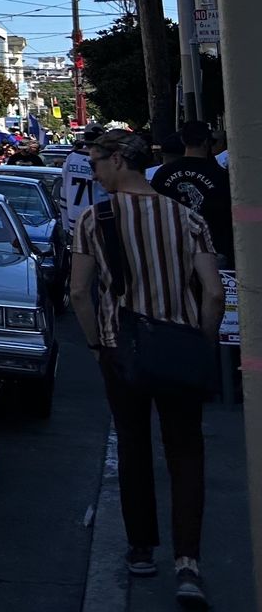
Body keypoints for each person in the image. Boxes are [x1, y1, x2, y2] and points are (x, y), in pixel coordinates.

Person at [70, 130, 221, 606]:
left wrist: (96, 345)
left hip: (122, 348)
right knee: (185, 451)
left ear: (119, 160)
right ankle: (188, 563)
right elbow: (214, 293)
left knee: (133, 447)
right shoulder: (187, 217)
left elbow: (78, 293)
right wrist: (204, 342)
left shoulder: (96, 219)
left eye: (96, 161)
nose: (93, 172)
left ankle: (141, 549)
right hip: (179, 344)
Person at [152, 120, 234, 268]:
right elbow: (233, 212)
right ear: (206, 142)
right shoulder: (220, 175)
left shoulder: (164, 173)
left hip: (173, 247)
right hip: (213, 249)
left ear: (183, 140)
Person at [62, 122, 112, 232]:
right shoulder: (106, 160)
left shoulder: (71, 158)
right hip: (100, 218)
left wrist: (65, 224)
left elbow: (64, 192)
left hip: (74, 218)